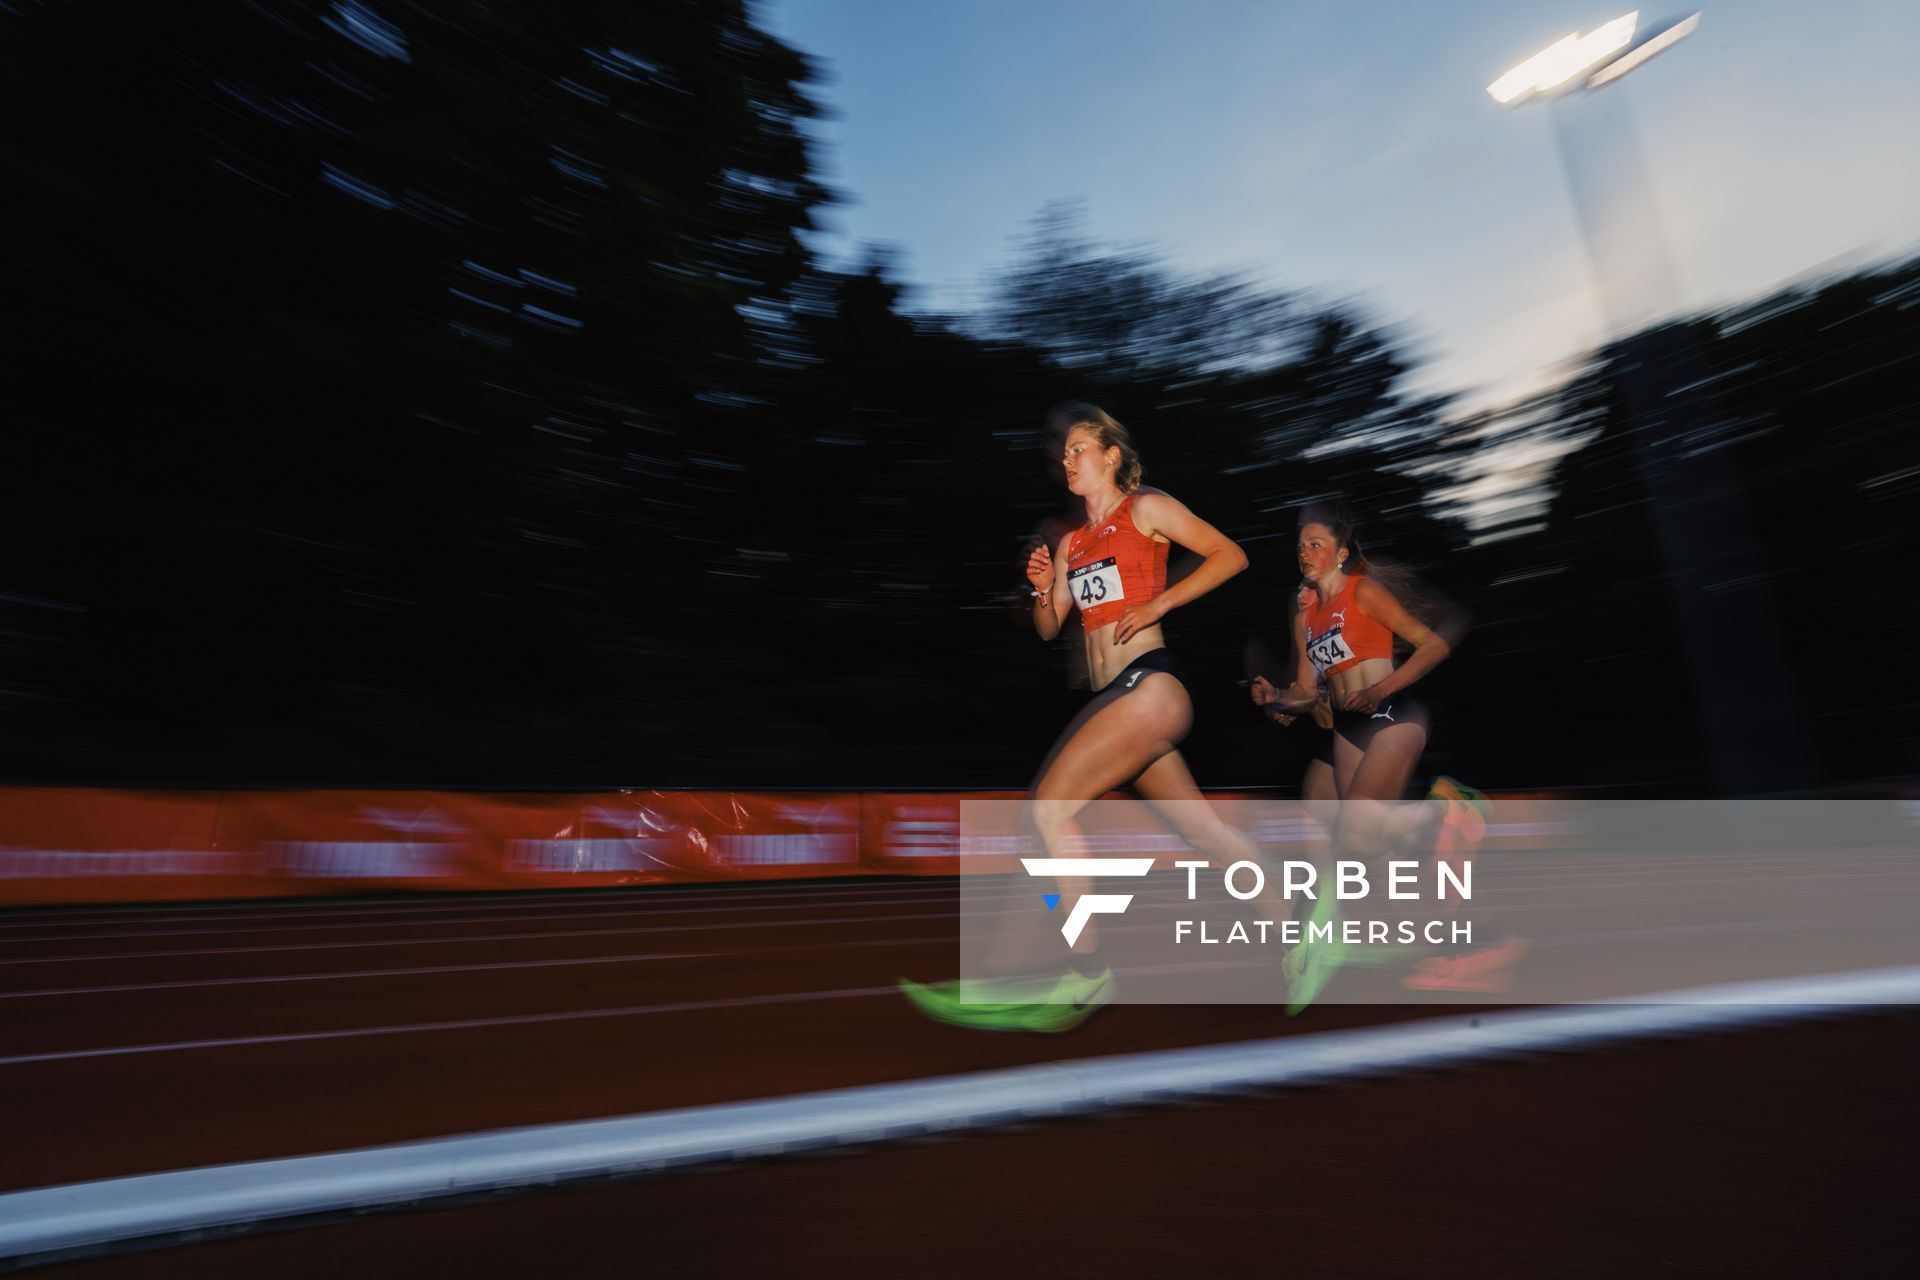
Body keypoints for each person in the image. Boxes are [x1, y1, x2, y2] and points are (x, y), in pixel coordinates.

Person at [902, 402, 1269, 1031]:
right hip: (1114, 699)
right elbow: (1050, 629)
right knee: (1203, 834)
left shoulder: (1145, 507)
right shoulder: (1072, 542)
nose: (1067, 460)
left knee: (1046, 811)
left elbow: (1230, 555)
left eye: (1080, 449)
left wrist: (1160, 605)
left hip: (1152, 685)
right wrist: (1045, 587)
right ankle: (1295, 922)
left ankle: (1088, 970)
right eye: (1064, 452)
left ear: (1111, 456)